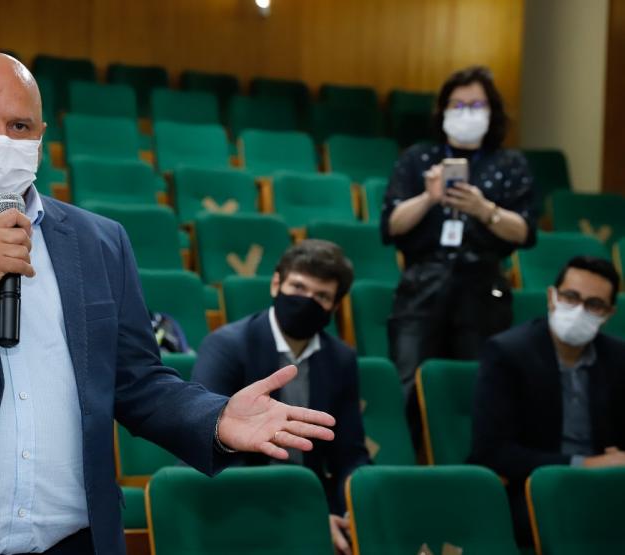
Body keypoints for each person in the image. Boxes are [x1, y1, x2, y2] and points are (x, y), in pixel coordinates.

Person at [0, 53, 336, 555]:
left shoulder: (100, 241)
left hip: (72, 542)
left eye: (19, 126)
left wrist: (215, 418)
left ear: (41, 138)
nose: (1, 139)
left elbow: (137, 383)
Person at [380, 65, 538, 443]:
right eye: (458, 103)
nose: (467, 112)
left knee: (479, 386)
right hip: (422, 284)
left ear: (492, 111)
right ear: (443, 110)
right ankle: (409, 465)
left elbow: (525, 232)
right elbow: (391, 226)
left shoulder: (510, 164)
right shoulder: (419, 159)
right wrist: (428, 197)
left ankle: (473, 471)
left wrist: (486, 210)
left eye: (476, 104)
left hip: (482, 288)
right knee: (408, 383)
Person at [192, 240, 369, 555]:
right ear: (276, 284)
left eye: (322, 296)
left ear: (335, 306)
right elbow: (204, 446)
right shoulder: (227, 346)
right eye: (298, 287)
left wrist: (350, 511)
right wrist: (304, 516)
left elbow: (350, 454)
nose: (307, 301)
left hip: (312, 501)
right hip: (238, 499)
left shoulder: (341, 358)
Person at [469, 256, 625, 545]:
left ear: (608, 314)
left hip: (608, 488)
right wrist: (586, 465)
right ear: (552, 298)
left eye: (593, 304)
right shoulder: (507, 353)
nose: (579, 310)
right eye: (570, 297)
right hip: (532, 490)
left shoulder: (618, 359)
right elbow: (491, 452)